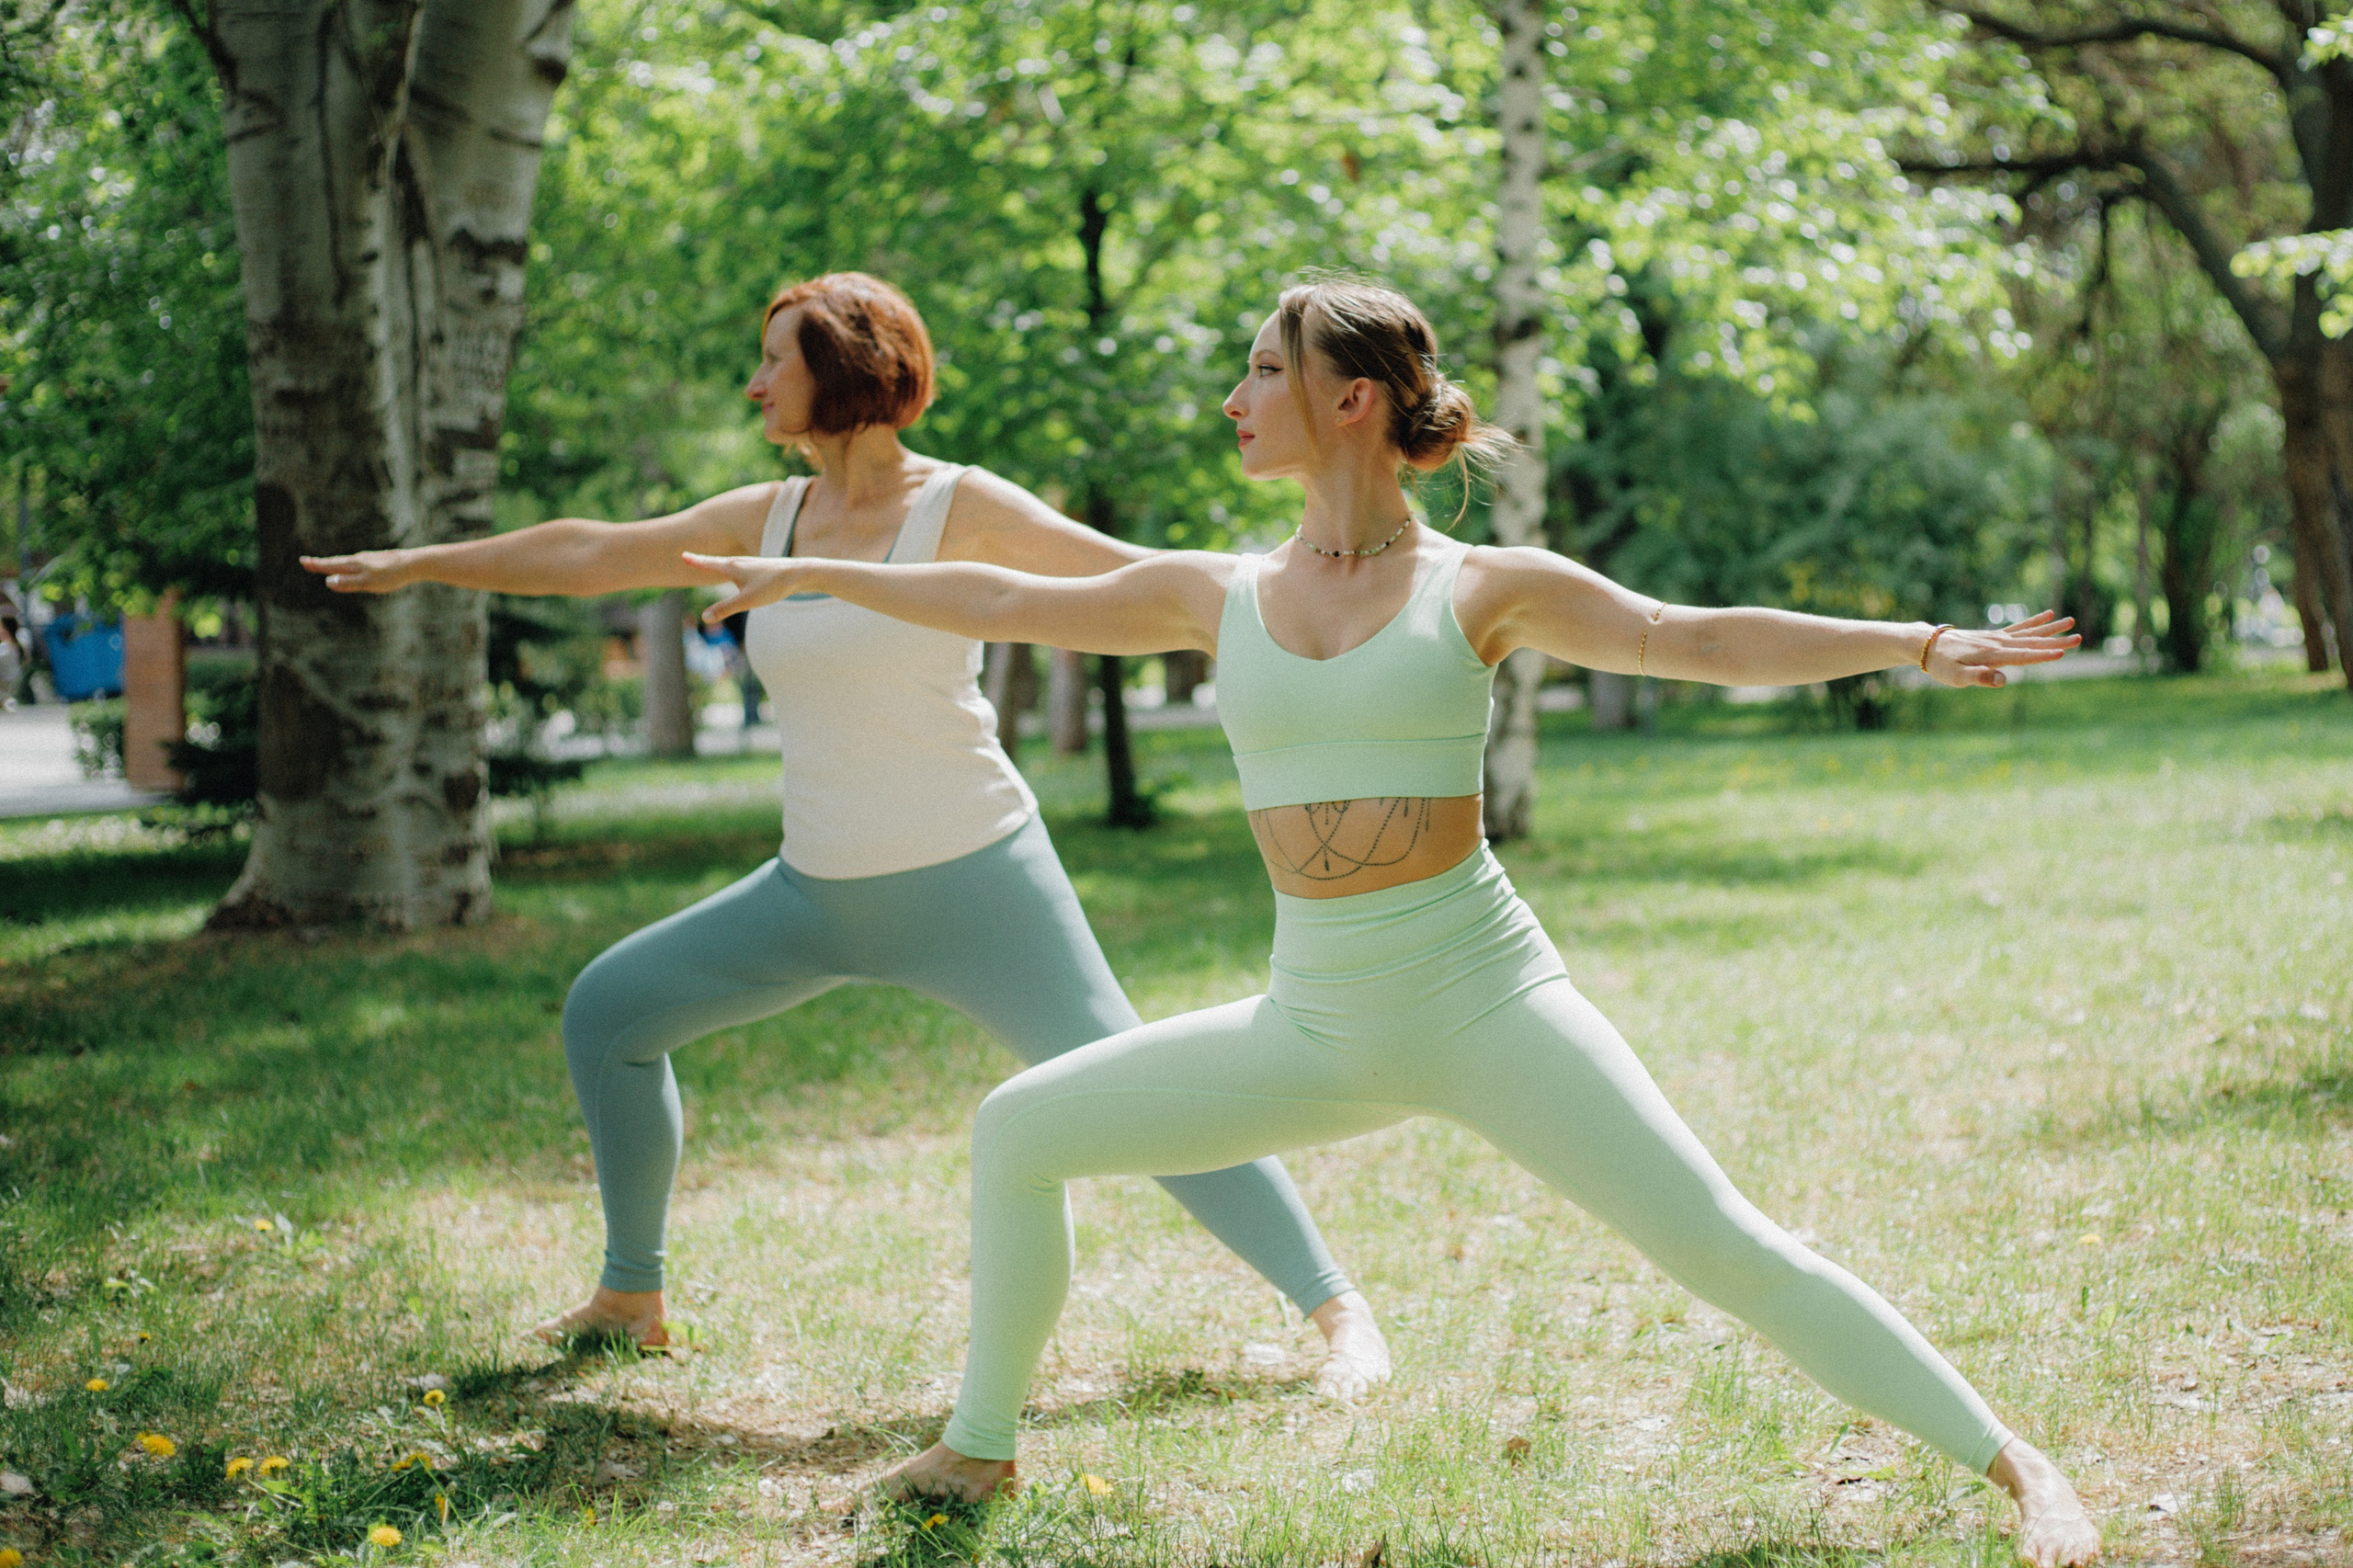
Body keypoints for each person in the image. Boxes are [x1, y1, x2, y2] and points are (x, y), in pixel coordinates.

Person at [684, 277, 2102, 1567]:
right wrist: (816, 571)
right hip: (1314, 1023)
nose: (1234, 401)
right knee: (1021, 1127)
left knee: (1727, 1244)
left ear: (1347, 397)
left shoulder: (1477, 588)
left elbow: (1699, 636)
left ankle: (2019, 1465)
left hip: (1488, 1003)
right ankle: (979, 1447)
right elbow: (1004, 591)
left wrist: (1913, 642)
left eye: (1260, 370)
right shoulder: (1215, 589)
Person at [301, 271, 1388, 1394]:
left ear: (846, 364)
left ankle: (1338, 1309)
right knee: (609, 1012)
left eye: (778, 357)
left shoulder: (955, 507)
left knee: (1143, 1091)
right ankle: (632, 1295)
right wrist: (424, 563)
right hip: (816, 889)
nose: (755, 381)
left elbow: (1140, 581)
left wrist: (1329, 613)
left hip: (979, 881)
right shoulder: (768, 517)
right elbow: (593, 552)